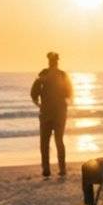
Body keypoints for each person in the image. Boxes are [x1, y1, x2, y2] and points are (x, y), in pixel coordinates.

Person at [31, 51, 74, 179]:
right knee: (59, 140)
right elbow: (69, 93)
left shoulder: (43, 75)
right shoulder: (63, 75)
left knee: (44, 141)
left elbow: (34, 94)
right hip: (60, 112)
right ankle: (62, 168)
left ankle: (46, 168)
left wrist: (39, 104)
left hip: (46, 113)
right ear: (57, 61)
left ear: (49, 61)